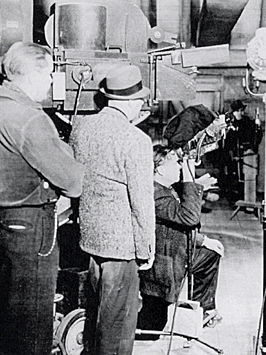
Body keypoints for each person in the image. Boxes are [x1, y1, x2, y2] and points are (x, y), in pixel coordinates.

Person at [0, 42, 84, 355]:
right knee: (32, 324)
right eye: (49, 73)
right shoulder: (30, 119)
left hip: (5, 225)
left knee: (8, 319)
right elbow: (73, 181)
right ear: (34, 74)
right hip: (31, 229)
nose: (52, 81)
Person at [69, 65, 155, 355]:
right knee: (116, 331)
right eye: (140, 99)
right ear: (131, 103)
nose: (142, 104)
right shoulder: (136, 140)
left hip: (91, 241)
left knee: (95, 321)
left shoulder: (82, 128)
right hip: (122, 249)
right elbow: (142, 202)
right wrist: (145, 249)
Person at [138, 145, 224, 337]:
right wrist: (188, 176)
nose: (179, 167)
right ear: (159, 168)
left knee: (210, 254)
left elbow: (179, 226)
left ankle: (203, 309)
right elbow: (189, 218)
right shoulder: (155, 194)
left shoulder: (165, 189)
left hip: (175, 250)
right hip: (161, 265)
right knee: (153, 324)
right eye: (175, 163)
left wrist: (204, 241)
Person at [222, 99, 262, 202]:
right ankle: (233, 197)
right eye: (237, 111)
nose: (239, 113)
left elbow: (256, 137)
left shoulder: (247, 123)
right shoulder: (228, 122)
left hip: (245, 155)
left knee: (245, 177)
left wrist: (258, 126)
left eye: (240, 111)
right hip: (231, 154)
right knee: (232, 175)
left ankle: (244, 198)